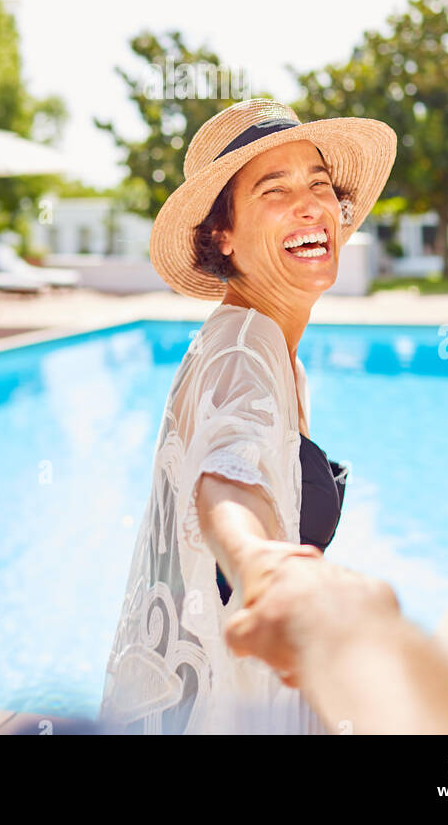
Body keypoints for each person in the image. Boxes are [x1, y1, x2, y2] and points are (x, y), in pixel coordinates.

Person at [98, 97, 402, 734]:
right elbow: (227, 477)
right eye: (275, 188)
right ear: (222, 236)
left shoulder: (264, 345)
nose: (309, 202)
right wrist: (261, 563)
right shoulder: (242, 350)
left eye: (320, 184)